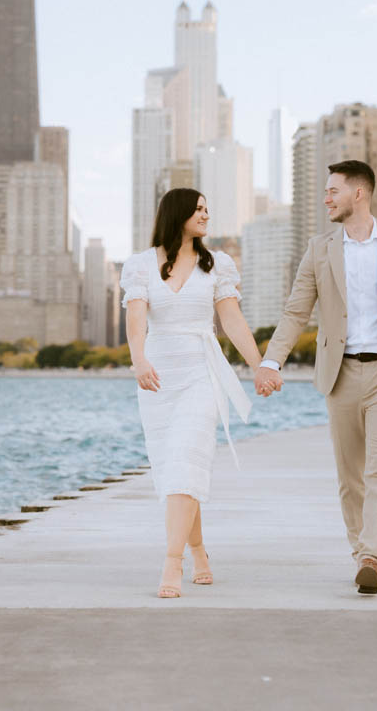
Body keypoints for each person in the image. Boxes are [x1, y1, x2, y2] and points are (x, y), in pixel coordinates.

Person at [255, 160, 377, 595]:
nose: (326, 198)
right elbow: (295, 311)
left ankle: (373, 557)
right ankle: (361, 549)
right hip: (339, 375)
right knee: (350, 476)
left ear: (359, 193)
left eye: (332, 191)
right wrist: (271, 361)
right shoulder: (319, 248)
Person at [120, 188, 264, 598]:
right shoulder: (141, 265)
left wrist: (260, 366)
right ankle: (199, 550)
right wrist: (139, 361)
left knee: (187, 460)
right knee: (177, 472)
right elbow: (135, 321)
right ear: (177, 213)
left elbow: (232, 321)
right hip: (158, 377)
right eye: (198, 209)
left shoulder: (218, 264)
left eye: (207, 209)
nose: (205, 215)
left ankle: (172, 563)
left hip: (202, 372)